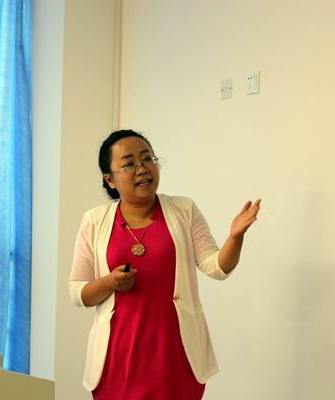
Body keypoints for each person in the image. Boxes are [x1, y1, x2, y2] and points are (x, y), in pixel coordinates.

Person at [69, 129, 261, 399]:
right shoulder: (94, 220)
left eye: (147, 158)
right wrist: (109, 282)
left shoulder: (184, 210)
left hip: (175, 355)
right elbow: (78, 292)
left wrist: (235, 237)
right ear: (109, 179)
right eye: (129, 163)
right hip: (117, 358)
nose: (142, 168)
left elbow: (216, 267)